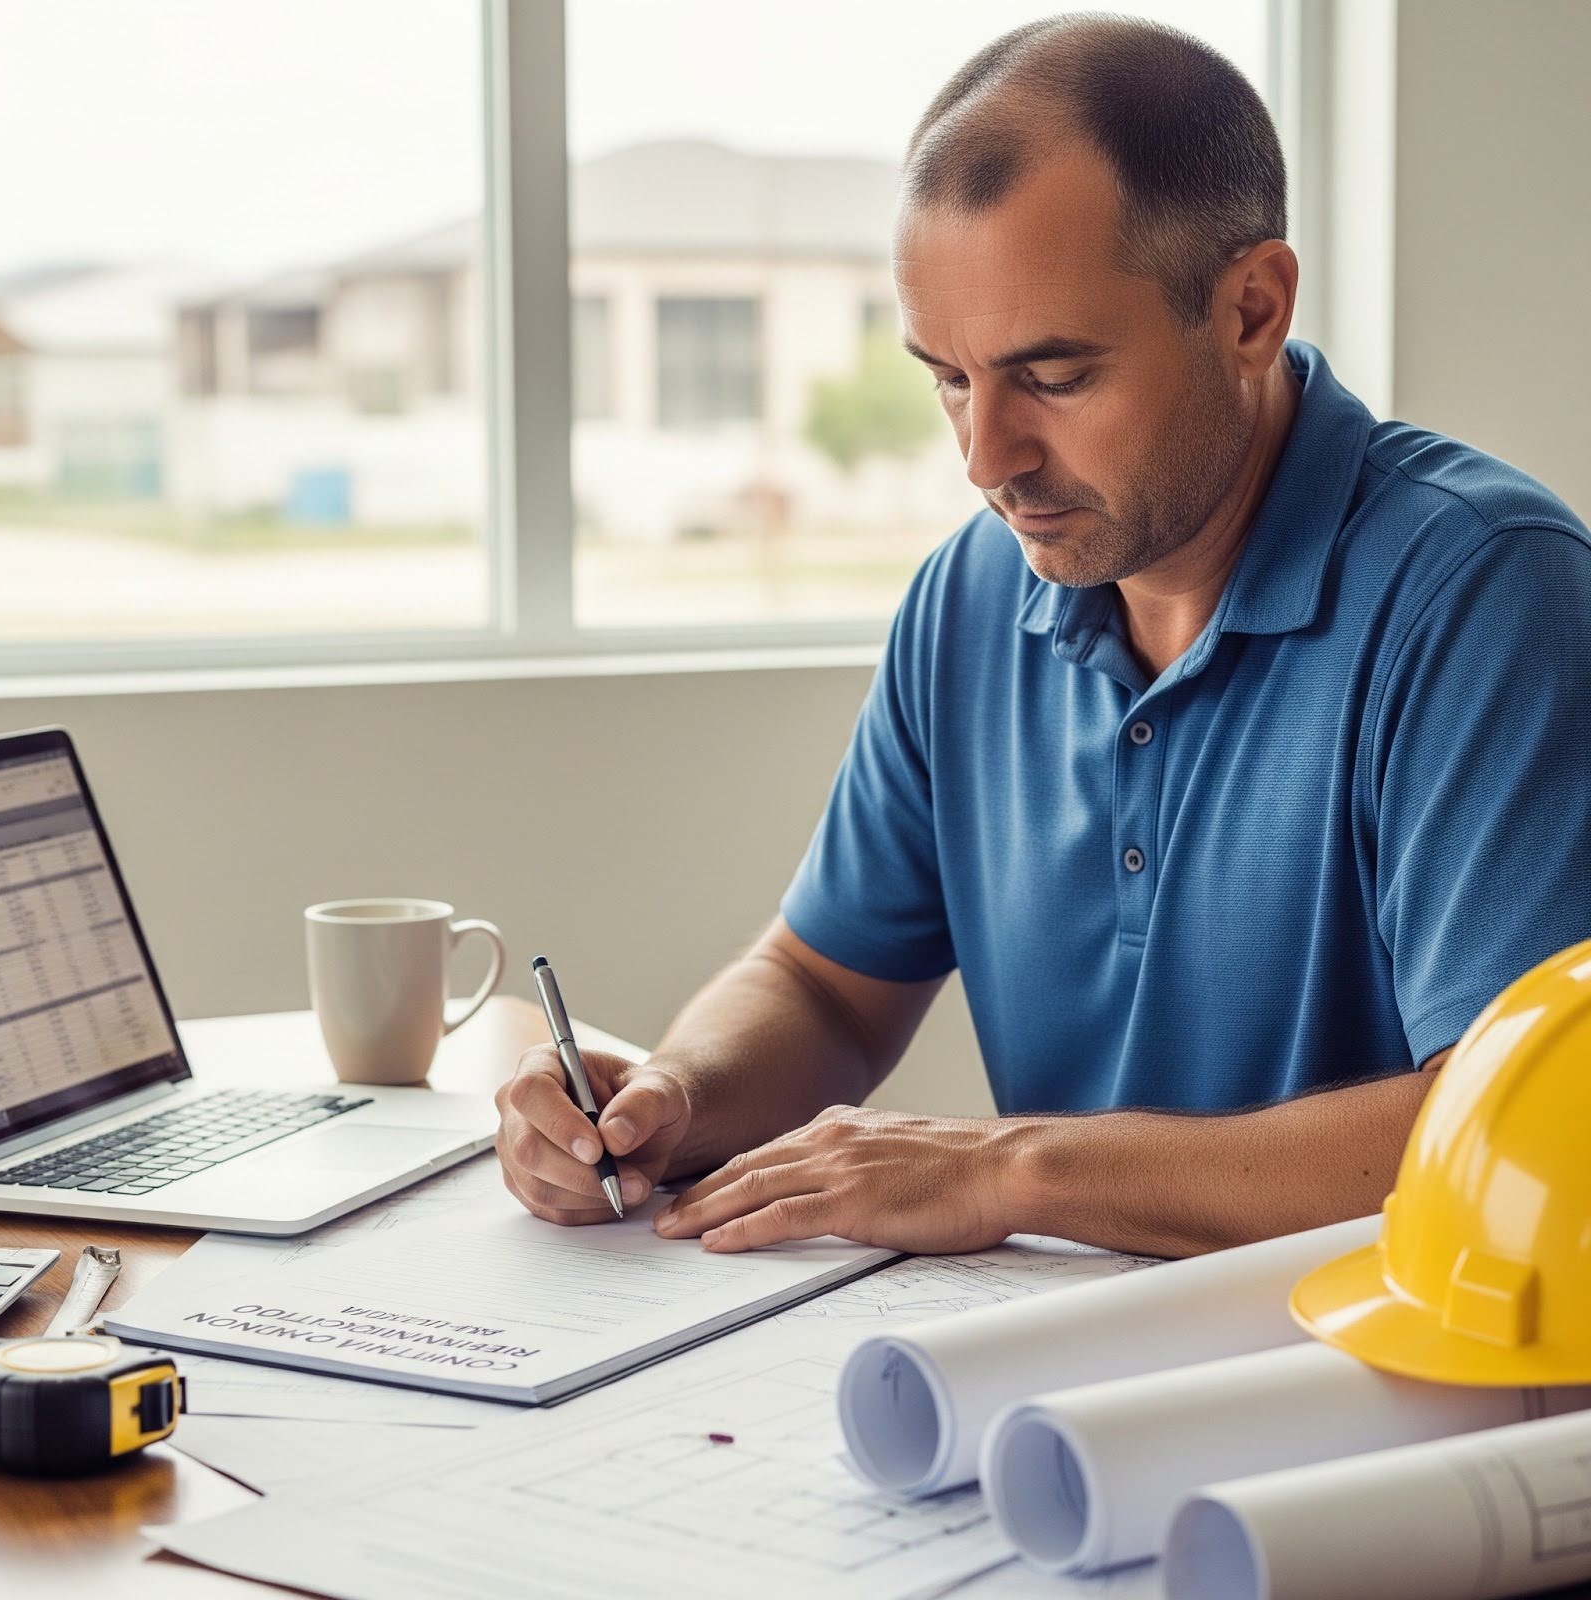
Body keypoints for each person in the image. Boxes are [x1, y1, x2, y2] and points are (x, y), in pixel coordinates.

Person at [497, 14, 1591, 1258]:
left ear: (1250, 308)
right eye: (948, 380)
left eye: (1054, 379)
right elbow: (823, 986)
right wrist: (669, 1098)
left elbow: (1528, 1126)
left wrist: (1012, 1171)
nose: (984, 458)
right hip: (1046, 1356)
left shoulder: (1485, 591)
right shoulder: (968, 595)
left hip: (1362, 1389)